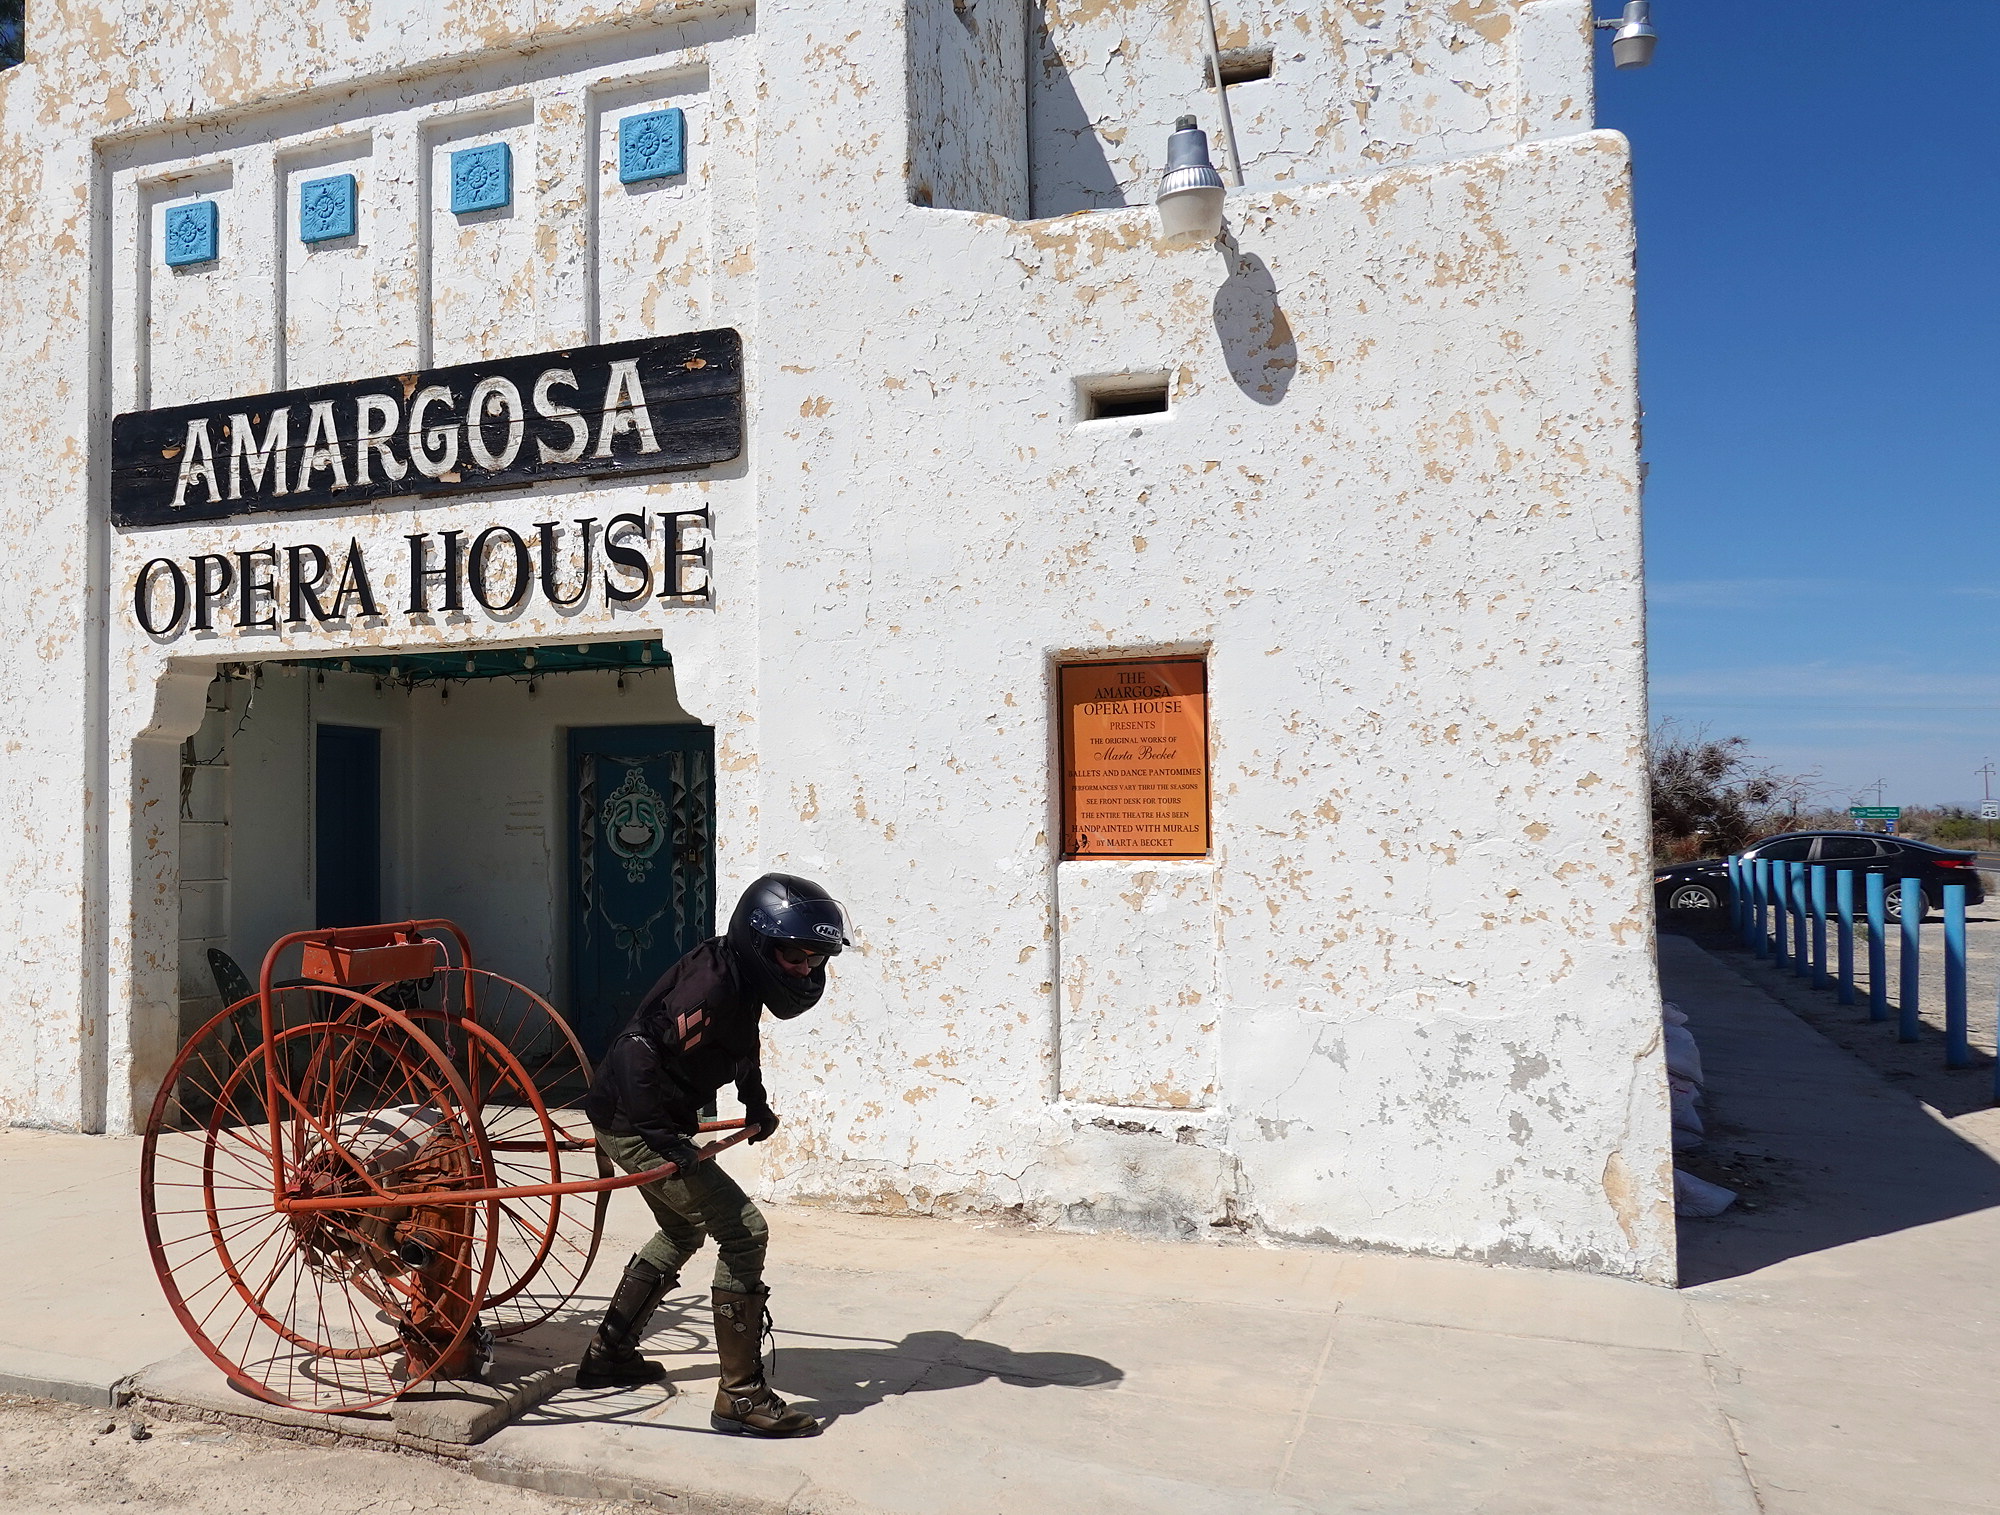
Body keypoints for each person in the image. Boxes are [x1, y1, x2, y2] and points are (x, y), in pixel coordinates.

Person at [576, 872, 849, 1438]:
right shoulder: (713, 987)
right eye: (795, 957)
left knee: (681, 1231)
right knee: (744, 1231)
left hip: (655, 1117)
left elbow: (739, 1041)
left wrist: (754, 1101)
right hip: (634, 1119)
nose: (806, 970)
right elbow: (633, 1056)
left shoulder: (740, 979)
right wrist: (662, 1139)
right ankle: (740, 1395)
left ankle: (609, 1354)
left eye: (815, 959)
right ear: (759, 944)